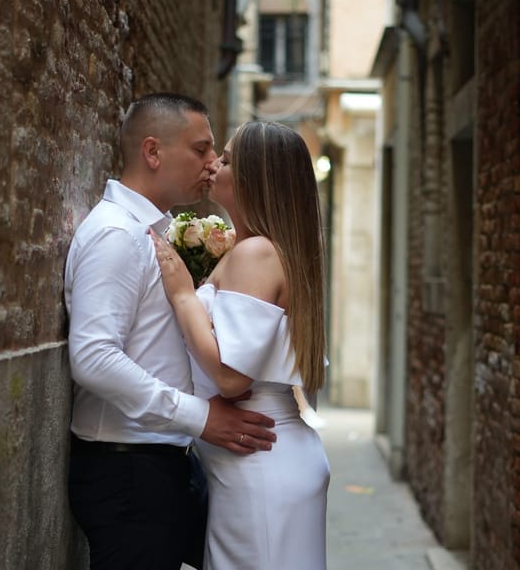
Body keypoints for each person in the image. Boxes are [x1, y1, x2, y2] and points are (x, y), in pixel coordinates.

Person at [64, 93, 277, 570]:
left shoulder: (153, 232)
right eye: (200, 150)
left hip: (162, 463)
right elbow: (94, 356)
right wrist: (201, 417)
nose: (212, 163)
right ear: (153, 152)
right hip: (127, 471)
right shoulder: (118, 235)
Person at [151, 120, 331, 569]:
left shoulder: (257, 254)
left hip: (259, 461)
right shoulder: (261, 249)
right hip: (259, 459)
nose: (213, 164)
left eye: (227, 159)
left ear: (255, 177)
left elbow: (231, 377)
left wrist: (182, 294)